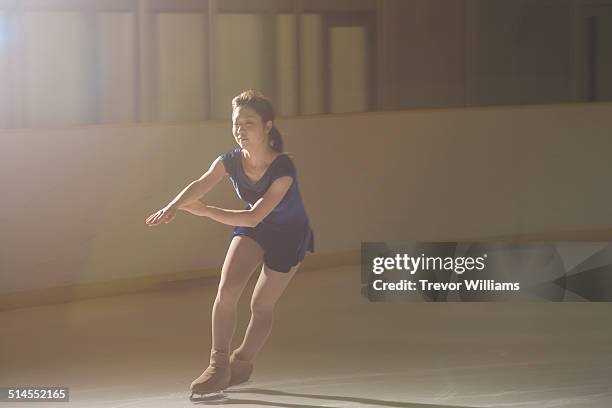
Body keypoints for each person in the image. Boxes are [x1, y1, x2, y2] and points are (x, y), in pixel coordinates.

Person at [145, 89, 314, 397]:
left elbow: (252, 217)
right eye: (236, 123)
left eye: (249, 123)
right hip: (256, 230)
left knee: (260, 305)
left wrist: (205, 210)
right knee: (226, 292)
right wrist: (173, 207)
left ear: (267, 126)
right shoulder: (230, 161)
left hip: (288, 237)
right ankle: (217, 364)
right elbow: (201, 183)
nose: (240, 130)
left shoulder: (283, 168)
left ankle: (243, 362)